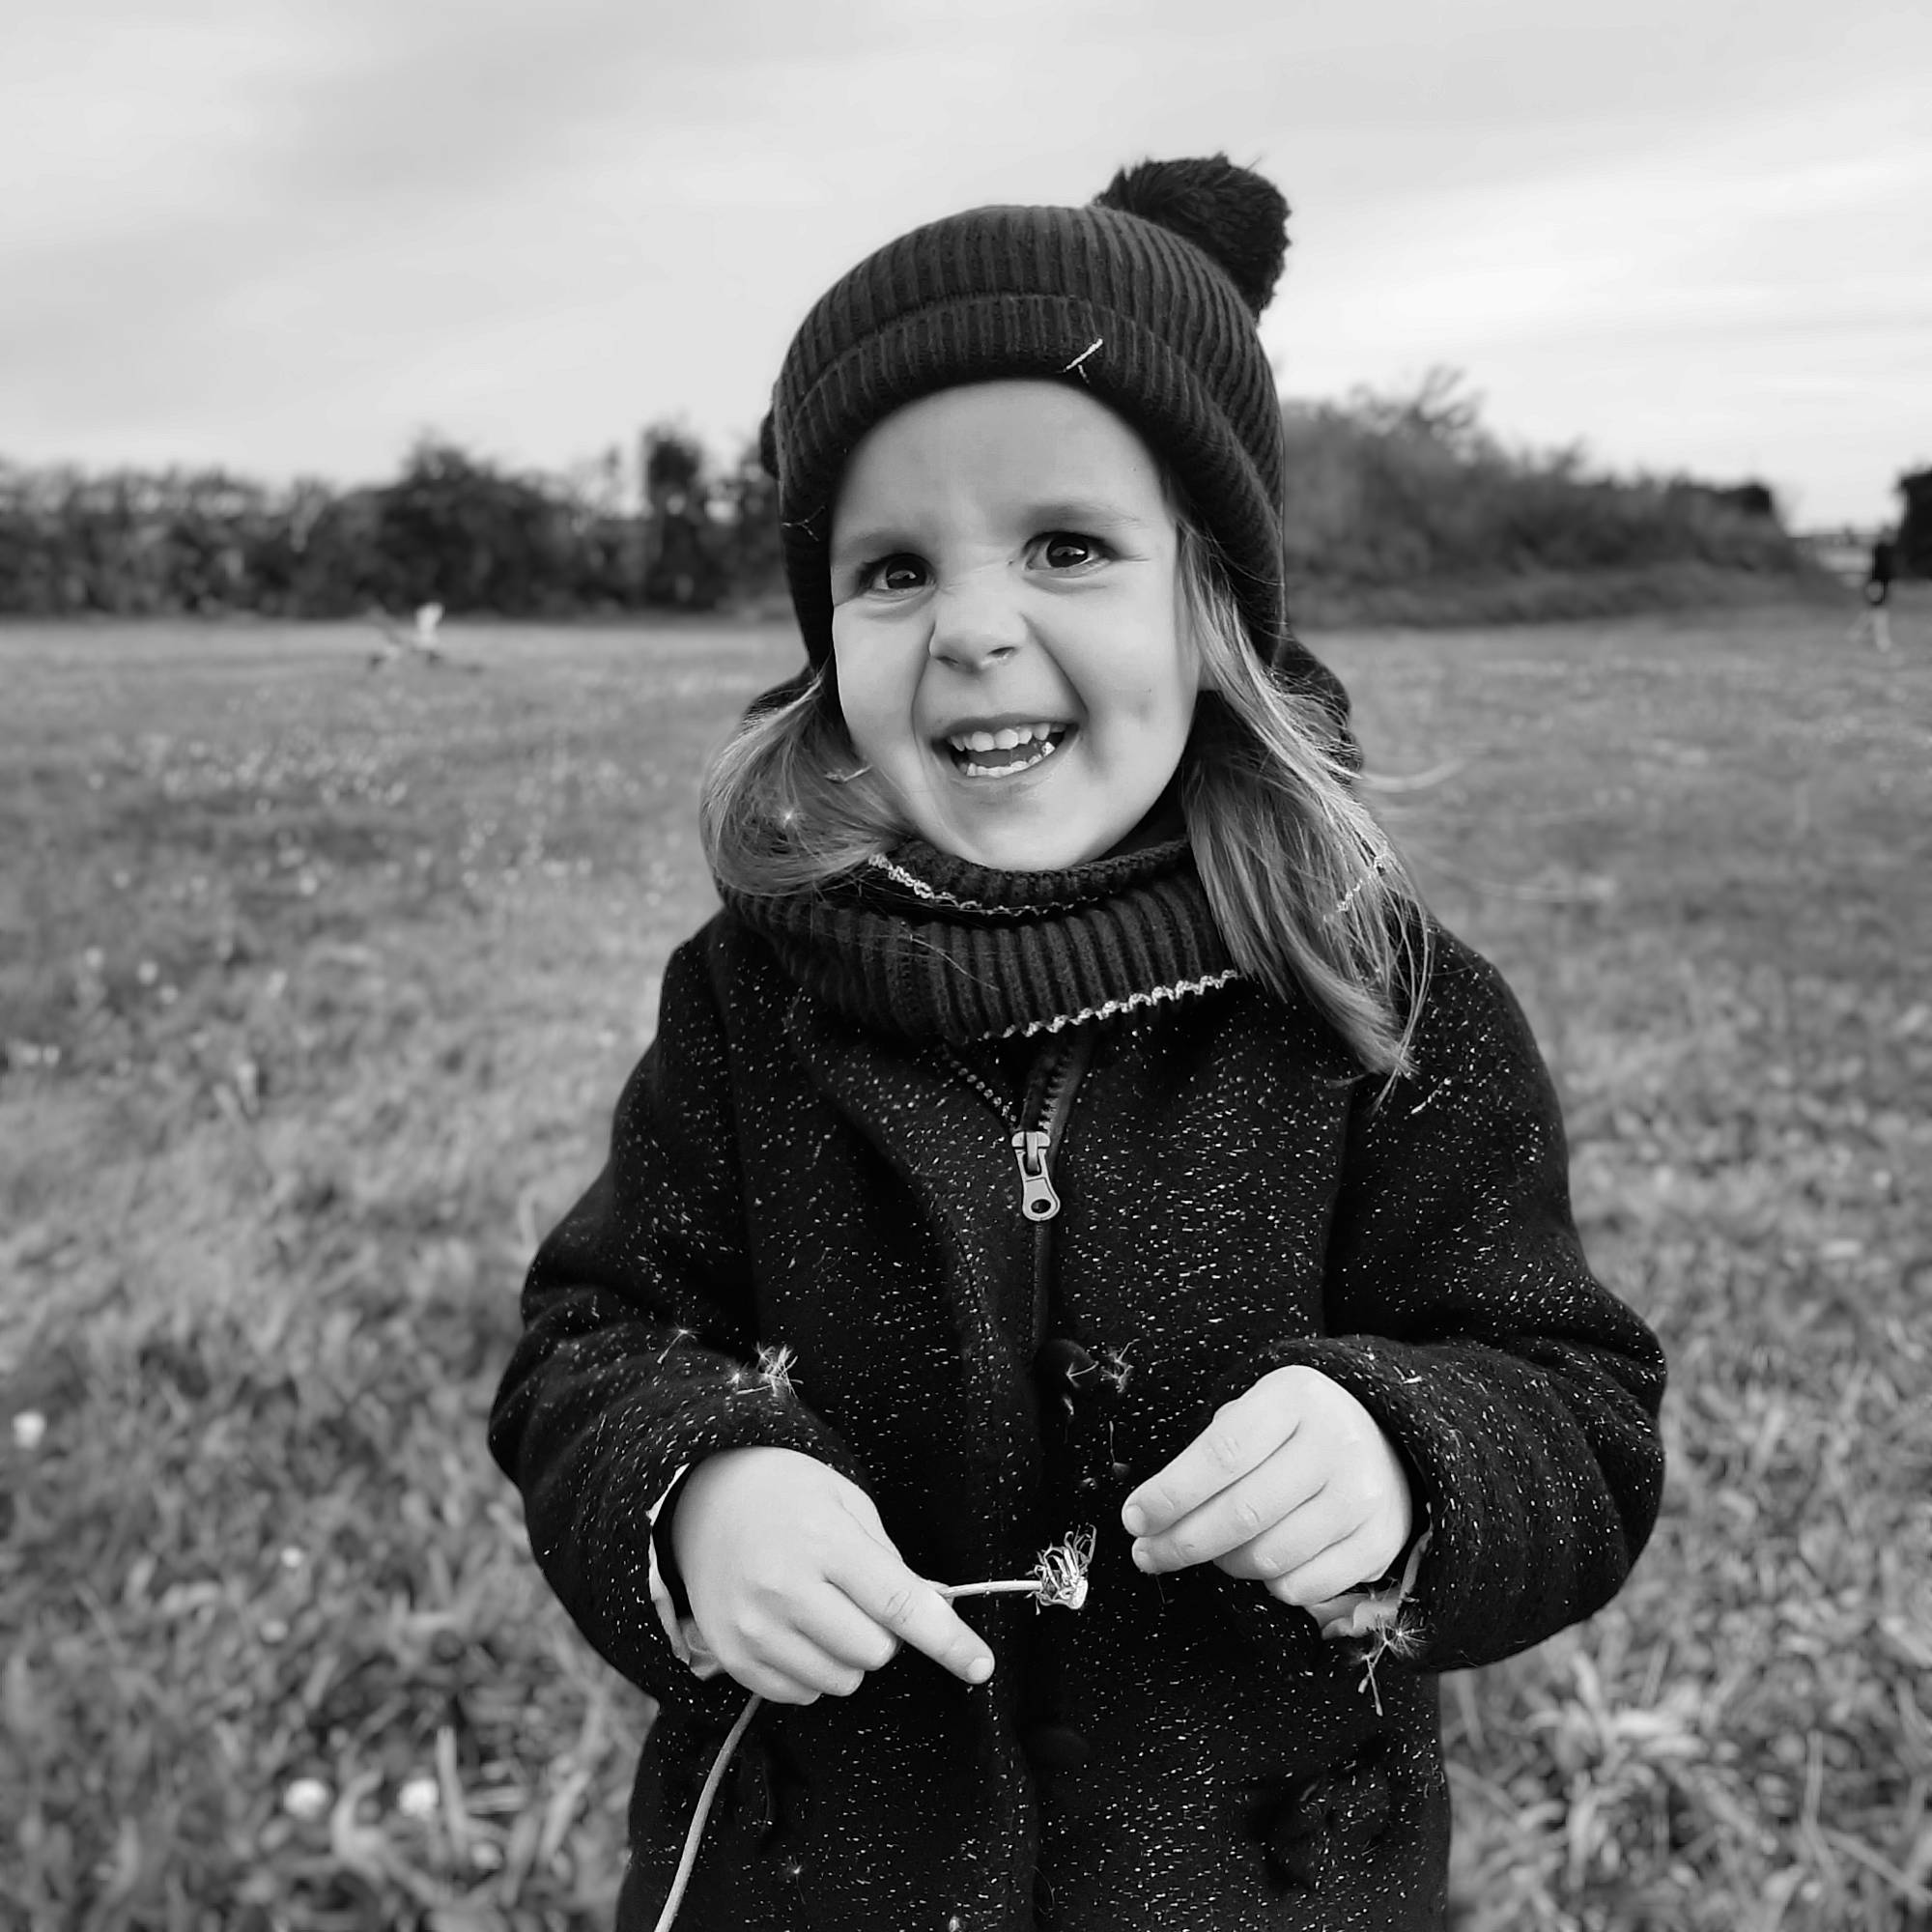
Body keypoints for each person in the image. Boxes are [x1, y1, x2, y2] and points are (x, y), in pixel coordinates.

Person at [489, 156, 1667, 1932]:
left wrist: (1409, 1455)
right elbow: (591, 1342)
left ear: (1212, 602)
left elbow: (1576, 1407)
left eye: (1065, 547)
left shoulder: (1390, 1010)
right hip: (818, 1876)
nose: (971, 627)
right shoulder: (749, 1007)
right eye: (892, 569)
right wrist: (690, 1491)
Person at [1854, 533, 1896, 652]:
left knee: (1875, 610)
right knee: (1879, 611)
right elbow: (1884, 567)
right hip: (1877, 583)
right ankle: (1882, 641)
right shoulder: (1881, 549)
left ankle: (1856, 633)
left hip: (1879, 582)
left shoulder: (1886, 550)